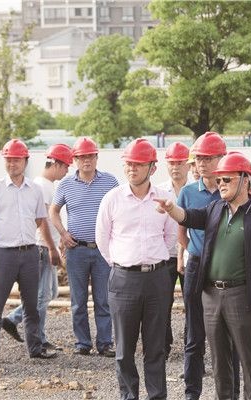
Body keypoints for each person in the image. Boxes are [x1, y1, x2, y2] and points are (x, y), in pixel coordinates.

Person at [155, 151, 251, 400]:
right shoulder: (214, 209)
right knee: (219, 360)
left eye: (227, 179)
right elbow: (190, 217)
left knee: (248, 358)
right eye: (219, 179)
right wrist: (171, 209)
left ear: (245, 180)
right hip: (211, 294)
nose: (220, 184)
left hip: (241, 295)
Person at [96, 138, 177, 400]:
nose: (132, 168)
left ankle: (157, 396)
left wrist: (152, 261)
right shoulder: (112, 199)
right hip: (123, 280)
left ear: (152, 168)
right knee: (124, 350)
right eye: (129, 163)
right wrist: (122, 264)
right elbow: (102, 239)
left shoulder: (165, 199)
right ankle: (129, 396)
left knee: (156, 347)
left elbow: (171, 236)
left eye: (139, 164)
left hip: (157, 279)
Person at [0, 139, 58, 367]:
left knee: (31, 305)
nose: (12, 163)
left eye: (16, 160)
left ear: (25, 161)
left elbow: (39, 219)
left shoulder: (35, 190)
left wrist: (22, 236)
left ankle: (35, 348)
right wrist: (3, 234)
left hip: (30, 253)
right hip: (4, 254)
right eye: (9, 160)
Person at [177, 131, 240, 400]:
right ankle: (192, 393)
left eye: (208, 158)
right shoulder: (188, 192)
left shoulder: (232, 190)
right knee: (195, 333)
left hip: (225, 267)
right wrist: (193, 251)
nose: (202, 163)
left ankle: (231, 393)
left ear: (221, 158)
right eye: (199, 158)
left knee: (229, 334)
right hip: (196, 266)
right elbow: (181, 231)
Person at [49, 137, 118, 357]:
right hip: (76, 250)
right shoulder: (65, 184)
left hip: (102, 250)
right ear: (75, 160)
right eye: (81, 157)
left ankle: (105, 343)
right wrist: (63, 233)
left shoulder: (110, 182)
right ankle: (82, 343)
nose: (86, 160)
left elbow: (121, 208)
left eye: (90, 156)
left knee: (103, 300)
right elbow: (53, 211)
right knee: (78, 301)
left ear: (97, 157)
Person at [1, 144, 72, 350]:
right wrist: (51, 248)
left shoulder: (47, 186)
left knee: (51, 292)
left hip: (46, 246)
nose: (67, 171)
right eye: (66, 166)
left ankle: (15, 320)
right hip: (41, 247)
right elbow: (42, 222)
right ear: (56, 164)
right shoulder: (42, 186)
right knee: (41, 296)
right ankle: (35, 337)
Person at [157, 141, 192, 359]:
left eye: (179, 162)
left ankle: (192, 348)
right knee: (162, 303)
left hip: (190, 255)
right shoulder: (159, 191)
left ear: (188, 164)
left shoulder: (196, 190)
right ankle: (163, 346)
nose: (175, 167)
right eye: (171, 163)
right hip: (165, 256)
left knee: (192, 304)